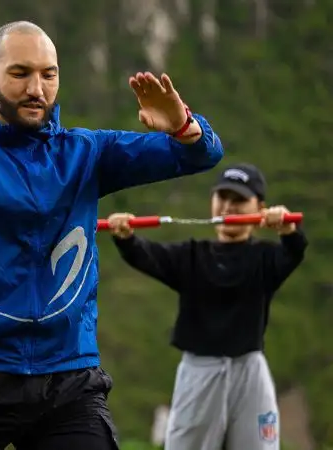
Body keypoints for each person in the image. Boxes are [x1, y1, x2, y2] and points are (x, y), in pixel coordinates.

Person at [0, 20, 225, 450]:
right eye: (20, 73)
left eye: (49, 74)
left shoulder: (87, 152)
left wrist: (182, 125)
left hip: (68, 381)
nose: (36, 89)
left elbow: (200, 155)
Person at [106, 163, 307, 450]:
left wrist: (288, 230)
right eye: (223, 197)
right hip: (199, 372)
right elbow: (144, 254)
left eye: (239, 200)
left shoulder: (266, 259)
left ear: (260, 208)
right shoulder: (191, 256)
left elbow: (294, 250)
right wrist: (125, 237)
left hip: (250, 370)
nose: (229, 206)